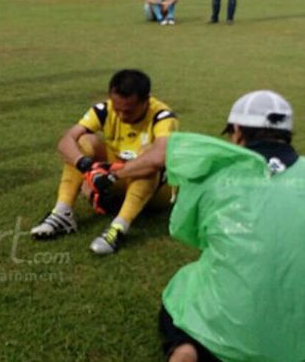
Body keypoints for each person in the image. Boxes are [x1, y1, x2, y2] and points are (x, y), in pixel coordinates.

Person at [104, 90, 305, 362]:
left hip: (227, 331)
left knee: (181, 290)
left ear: (237, 131)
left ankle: (186, 349)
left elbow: (187, 233)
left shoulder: (214, 175)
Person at [30, 70, 178, 255]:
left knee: (148, 156)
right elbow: (65, 142)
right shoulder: (103, 109)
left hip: (157, 192)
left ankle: (118, 228)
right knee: (83, 142)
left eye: (129, 110)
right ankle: (62, 213)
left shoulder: (163, 116)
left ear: (146, 101)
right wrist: (85, 165)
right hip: (114, 179)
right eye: (117, 109)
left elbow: (159, 158)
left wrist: (113, 175)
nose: (122, 116)